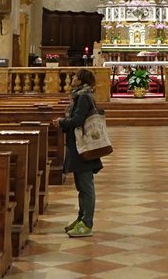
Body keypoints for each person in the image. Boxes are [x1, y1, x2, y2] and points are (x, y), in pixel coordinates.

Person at [54, 68, 104, 237]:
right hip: (80, 145)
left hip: (84, 146)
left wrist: (61, 122)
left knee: (86, 186)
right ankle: (81, 218)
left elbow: (77, 121)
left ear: (82, 80)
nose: (72, 78)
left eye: (75, 76)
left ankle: (87, 223)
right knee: (81, 186)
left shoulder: (83, 97)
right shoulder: (82, 95)